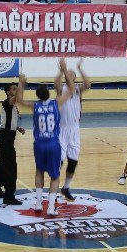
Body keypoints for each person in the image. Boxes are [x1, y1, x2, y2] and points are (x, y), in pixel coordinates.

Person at [15, 59, 75, 216]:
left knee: (39, 170)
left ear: (37, 95)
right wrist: (64, 69)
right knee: (55, 176)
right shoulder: (57, 103)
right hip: (53, 143)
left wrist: (21, 83)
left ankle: (38, 203)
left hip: (39, 144)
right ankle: (50, 207)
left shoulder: (35, 106)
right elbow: (71, 88)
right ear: (49, 93)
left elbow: (20, 100)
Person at [54, 59, 91, 201]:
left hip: (74, 129)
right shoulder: (62, 89)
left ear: (75, 78)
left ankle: (66, 187)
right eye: (67, 73)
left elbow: (87, 84)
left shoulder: (77, 88)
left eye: (72, 74)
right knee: (60, 161)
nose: (69, 74)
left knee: (73, 161)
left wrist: (80, 68)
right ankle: (54, 190)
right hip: (62, 129)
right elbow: (55, 84)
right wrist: (61, 70)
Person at [0, 83, 26, 205]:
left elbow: (8, 121)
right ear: (8, 92)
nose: (16, 91)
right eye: (14, 89)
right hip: (5, 139)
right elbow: (18, 97)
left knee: (2, 166)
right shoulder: (7, 102)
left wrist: (17, 127)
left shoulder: (11, 105)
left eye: (17, 89)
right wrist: (22, 83)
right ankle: (9, 196)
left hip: (6, 138)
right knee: (11, 168)